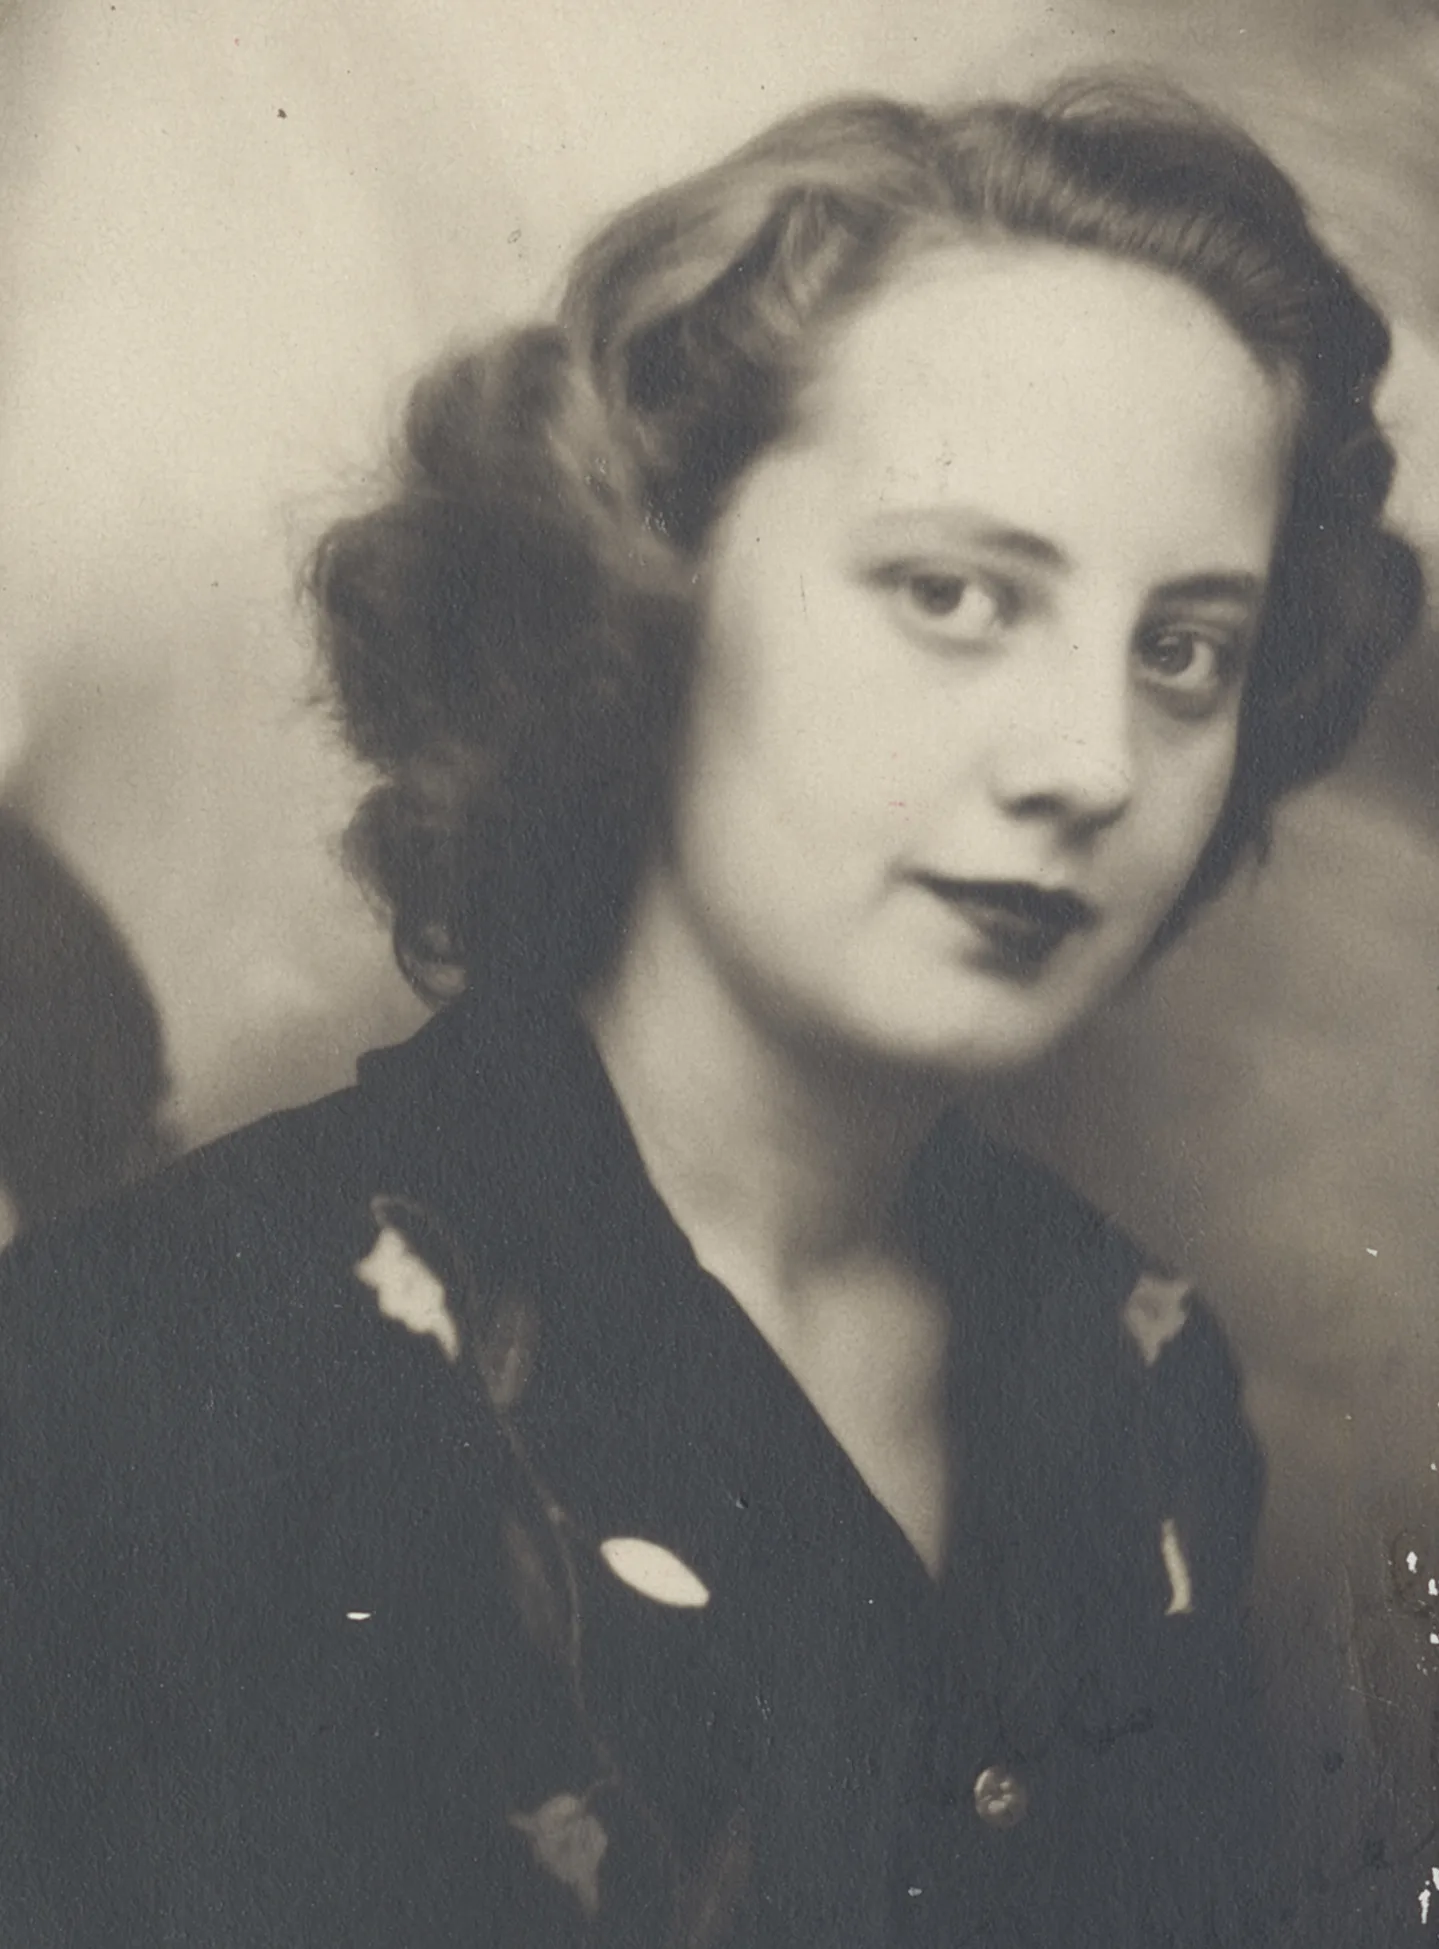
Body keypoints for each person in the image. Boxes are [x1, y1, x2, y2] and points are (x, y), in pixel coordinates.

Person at [0, 74, 1422, 1949]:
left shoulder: (1136, 1369)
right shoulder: (136, 1376)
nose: (1092, 758)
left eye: (1183, 651)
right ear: (643, 603)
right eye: (954, 593)